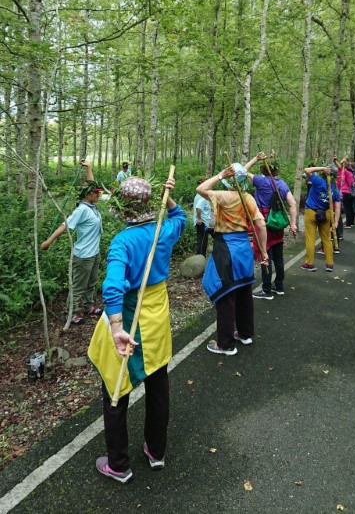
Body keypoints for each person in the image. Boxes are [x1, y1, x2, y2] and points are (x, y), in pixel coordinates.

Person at [88, 174, 186, 483]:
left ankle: (118, 463)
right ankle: (156, 451)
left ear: (122, 210)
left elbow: (113, 287)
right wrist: (167, 199)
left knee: (115, 387)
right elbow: (180, 216)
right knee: (157, 379)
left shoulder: (123, 241)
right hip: (157, 314)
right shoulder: (165, 229)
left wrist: (116, 327)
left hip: (130, 318)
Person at [197, 163, 268, 356]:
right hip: (244, 247)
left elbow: (201, 189)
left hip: (226, 248)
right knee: (244, 290)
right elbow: (260, 224)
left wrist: (220, 175)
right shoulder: (248, 198)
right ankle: (245, 334)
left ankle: (226, 344)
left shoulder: (223, 196)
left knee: (225, 292)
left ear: (230, 180)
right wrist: (264, 251)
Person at [41, 160, 103, 325]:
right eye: (96, 193)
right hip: (83, 255)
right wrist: (48, 242)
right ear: (88, 195)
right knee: (78, 285)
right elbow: (64, 226)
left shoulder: (92, 206)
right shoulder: (81, 210)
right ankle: (72, 312)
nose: (99, 195)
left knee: (91, 282)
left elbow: (91, 184)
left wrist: (89, 167)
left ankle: (88, 307)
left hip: (94, 253)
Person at [244, 152, 297, 299]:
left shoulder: (261, 182)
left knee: (264, 256)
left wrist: (255, 159)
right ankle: (279, 286)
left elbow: (242, 171)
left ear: (264, 171)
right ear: (276, 171)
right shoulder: (283, 184)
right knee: (278, 257)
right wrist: (293, 224)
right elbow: (292, 204)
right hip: (277, 224)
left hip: (263, 224)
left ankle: (266, 290)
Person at [301, 165, 341, 272]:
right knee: (327, 239)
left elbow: (307, 170)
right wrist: (336, 222)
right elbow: (337, 206)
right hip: (326, 213)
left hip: (311, 212)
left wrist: (322, 167)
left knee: (310, 239)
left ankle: (309, 263)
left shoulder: (318, 181)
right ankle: (329, 264)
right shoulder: (335, 189)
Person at [336, 157, 355, 228]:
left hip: (346, 192)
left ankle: (348, 224)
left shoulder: (345, 173)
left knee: (347, 208)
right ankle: (351, 222)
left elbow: (340, 166)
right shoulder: (351, 174)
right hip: (351, 193)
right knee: (350, 208)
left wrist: (342, 161)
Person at [193, 179, 212, 256]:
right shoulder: (203, 197)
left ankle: (200, 257)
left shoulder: (198, 195)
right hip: (202, 222)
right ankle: (201, 258)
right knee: (203, 242)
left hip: (201, 222)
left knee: (201, 240)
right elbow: (198, 207)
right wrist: (200, 218)